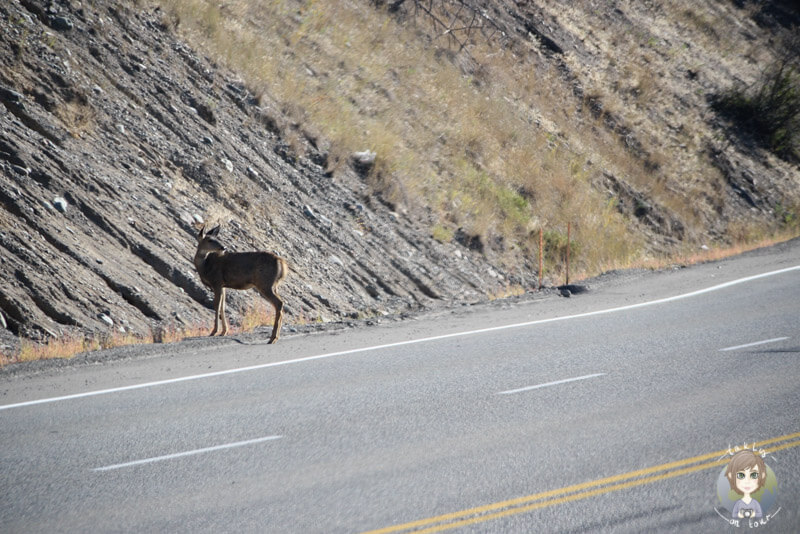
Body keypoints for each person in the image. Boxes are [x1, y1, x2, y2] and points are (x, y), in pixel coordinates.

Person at [725, 450, 767, 519]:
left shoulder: (755, 503)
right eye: (741, 475)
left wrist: (753, 514)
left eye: (754, 475)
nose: (747, 481)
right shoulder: (738, 503)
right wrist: (740, 515)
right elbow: (734, 514)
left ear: (762, 476)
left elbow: (759, 513)